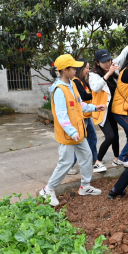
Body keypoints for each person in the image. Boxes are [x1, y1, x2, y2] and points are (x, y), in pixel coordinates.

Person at [40, 54, 107, 206]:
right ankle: (48, 190)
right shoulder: (59, 90)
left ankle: (85, 186)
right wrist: (72, 132)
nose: (76, 70)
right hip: (69, 134)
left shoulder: (71, 86)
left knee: (87, 155)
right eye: (73, 68)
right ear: (65, 70)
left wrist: (95, 107)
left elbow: (79, 106)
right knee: (66, 161)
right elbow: (62, 116)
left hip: (78, 132)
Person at [89, 28, 128, 171]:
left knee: (115, 136)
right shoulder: (93, 75)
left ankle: (117, 159)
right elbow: (96, 88)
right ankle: (97, 162)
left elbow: (123, 55)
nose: (108, 63)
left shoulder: (113, 67)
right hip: (103, 110)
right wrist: (108, 74)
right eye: (104, 62)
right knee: (110, 136)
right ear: (97, 63)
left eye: (109, 60)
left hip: (115, 108)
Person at [69, 59, 101, 173]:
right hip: (81, 117)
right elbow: (84, 96)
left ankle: (94, 160)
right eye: (86, 68)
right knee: (80, 142)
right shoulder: (76, 82)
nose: (88, 70)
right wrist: (95, 92)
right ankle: (69, 165)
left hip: (87, 115)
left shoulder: (82, 82)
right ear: (80, 69)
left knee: (92, 139)